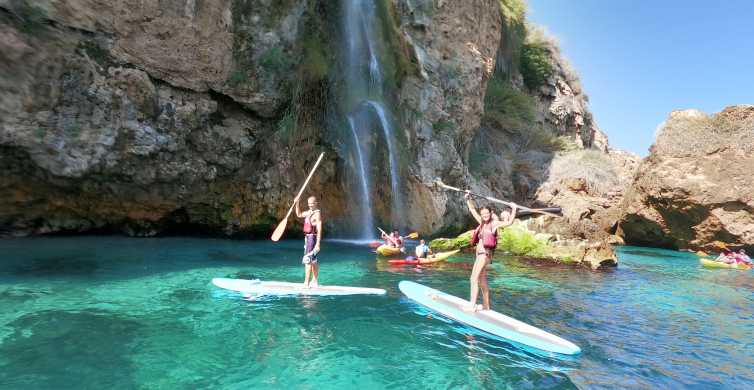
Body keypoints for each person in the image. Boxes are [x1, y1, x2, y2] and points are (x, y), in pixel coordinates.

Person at [464, 191, 517, 312]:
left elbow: (509, 222)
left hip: (484, 254)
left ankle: (472, 305)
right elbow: (472, 210)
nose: (484, 216)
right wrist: (468, 198)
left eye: (486, 213)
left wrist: (514, 209)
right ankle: (486, 305)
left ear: (491, 213)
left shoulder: (494, 224)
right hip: (481, 255)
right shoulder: (482, 223)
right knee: (482, 279)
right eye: (483, 214)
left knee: (473, 278)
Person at [295, 195, 322, 288]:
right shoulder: (309, 212)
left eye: (312, 204)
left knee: (307, 260)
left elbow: (319, 227)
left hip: (312, 239)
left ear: (316, 203)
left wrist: (318, 243)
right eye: (309, 204)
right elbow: (299, 214)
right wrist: (297, 203)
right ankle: (314, 281)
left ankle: (306, 283)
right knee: (313, 260)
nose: (310, 205)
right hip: (308, 239)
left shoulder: (317, 213)